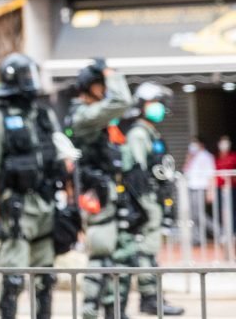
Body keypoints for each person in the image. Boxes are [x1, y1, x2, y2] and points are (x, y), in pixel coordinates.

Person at [0, 53, 72, 319]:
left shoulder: (44, 115)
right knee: (13, 278)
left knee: (46, 279)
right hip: (17, 210)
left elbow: (61, 156)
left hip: (45, 205)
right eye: (26, 76)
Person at [63, 59, 137, 319]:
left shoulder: (90, 113)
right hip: (97, 194)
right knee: (102, 254)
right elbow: (121, 102)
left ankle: (114, 309)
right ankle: (90, 311)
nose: (104, 89)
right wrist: (112, 75)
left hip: (109, 191)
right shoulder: (84, 114)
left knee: (124, 254)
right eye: (100, 84)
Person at [125, 82, 184, 316]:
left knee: (151, 252)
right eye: (156, 103)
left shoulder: (151, 134)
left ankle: (153, 297)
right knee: (146, 254)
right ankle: (150, 298)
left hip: (154, 202)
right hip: (146, 204)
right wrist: (143, 207)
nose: (159, 108)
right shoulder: (138, 134)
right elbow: (136, 174)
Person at [184, 135, 216, 246]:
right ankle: (197, 238)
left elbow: (211, 175)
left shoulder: (207, 157)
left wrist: (210, 191)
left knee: (199, 214)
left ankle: (219, 232)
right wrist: (189, 158)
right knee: (193, 215)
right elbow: (186, 170)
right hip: (191, 187)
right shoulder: (193, 156)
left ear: (201, 144)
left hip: (201, 188)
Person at [216, 136, 236, 243]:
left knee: (231, 210)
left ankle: (233, 232)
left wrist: (231, 178)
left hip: (231, 188)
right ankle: (224, 232)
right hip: (220, 188)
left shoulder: (233, 156)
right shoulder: (217, 157)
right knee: (222, 211)